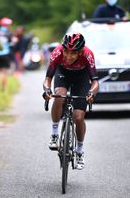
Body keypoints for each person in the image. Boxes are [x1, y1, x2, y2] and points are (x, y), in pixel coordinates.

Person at [42, 33, 99, 170]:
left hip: (81, 78)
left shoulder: (88, 55)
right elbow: (47, 79)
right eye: (66, 51)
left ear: (80, 52)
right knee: (59, 96)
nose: (68, 56)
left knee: (79, 117)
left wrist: (91, 93)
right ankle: (55, 134)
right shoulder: (57, 53)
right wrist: (47, 90)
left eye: (73, 53)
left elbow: (95, 82)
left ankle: (79, 151)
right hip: (63, 74)